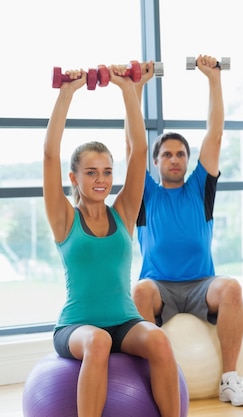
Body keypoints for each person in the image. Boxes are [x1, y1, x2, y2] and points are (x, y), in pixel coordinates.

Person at [44, 65, 181, 417]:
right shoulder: (64, 219)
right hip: (77, 327)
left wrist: (128, 90)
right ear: (74, 177)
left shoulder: (123, 212)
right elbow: (49, 155)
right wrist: (66, 95)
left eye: (106, 172)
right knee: (98, 341)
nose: (100, 180)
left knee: (159, 339)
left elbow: (138, 152)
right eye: (91, 172)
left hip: (124, 321)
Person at [128, 56, 243, 407]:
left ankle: (229, 379)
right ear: (154, 162)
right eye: (166, 154)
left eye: (180, 154)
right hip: (158, 286)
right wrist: (136, 89)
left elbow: (214, 134)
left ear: (187, 160)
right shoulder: (146, 193)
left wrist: (213, 79)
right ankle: (144, 381)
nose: (174, 159)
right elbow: (133, 146)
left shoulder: (200, 188)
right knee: (138, 291)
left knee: (230, 287)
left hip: (202, 284)